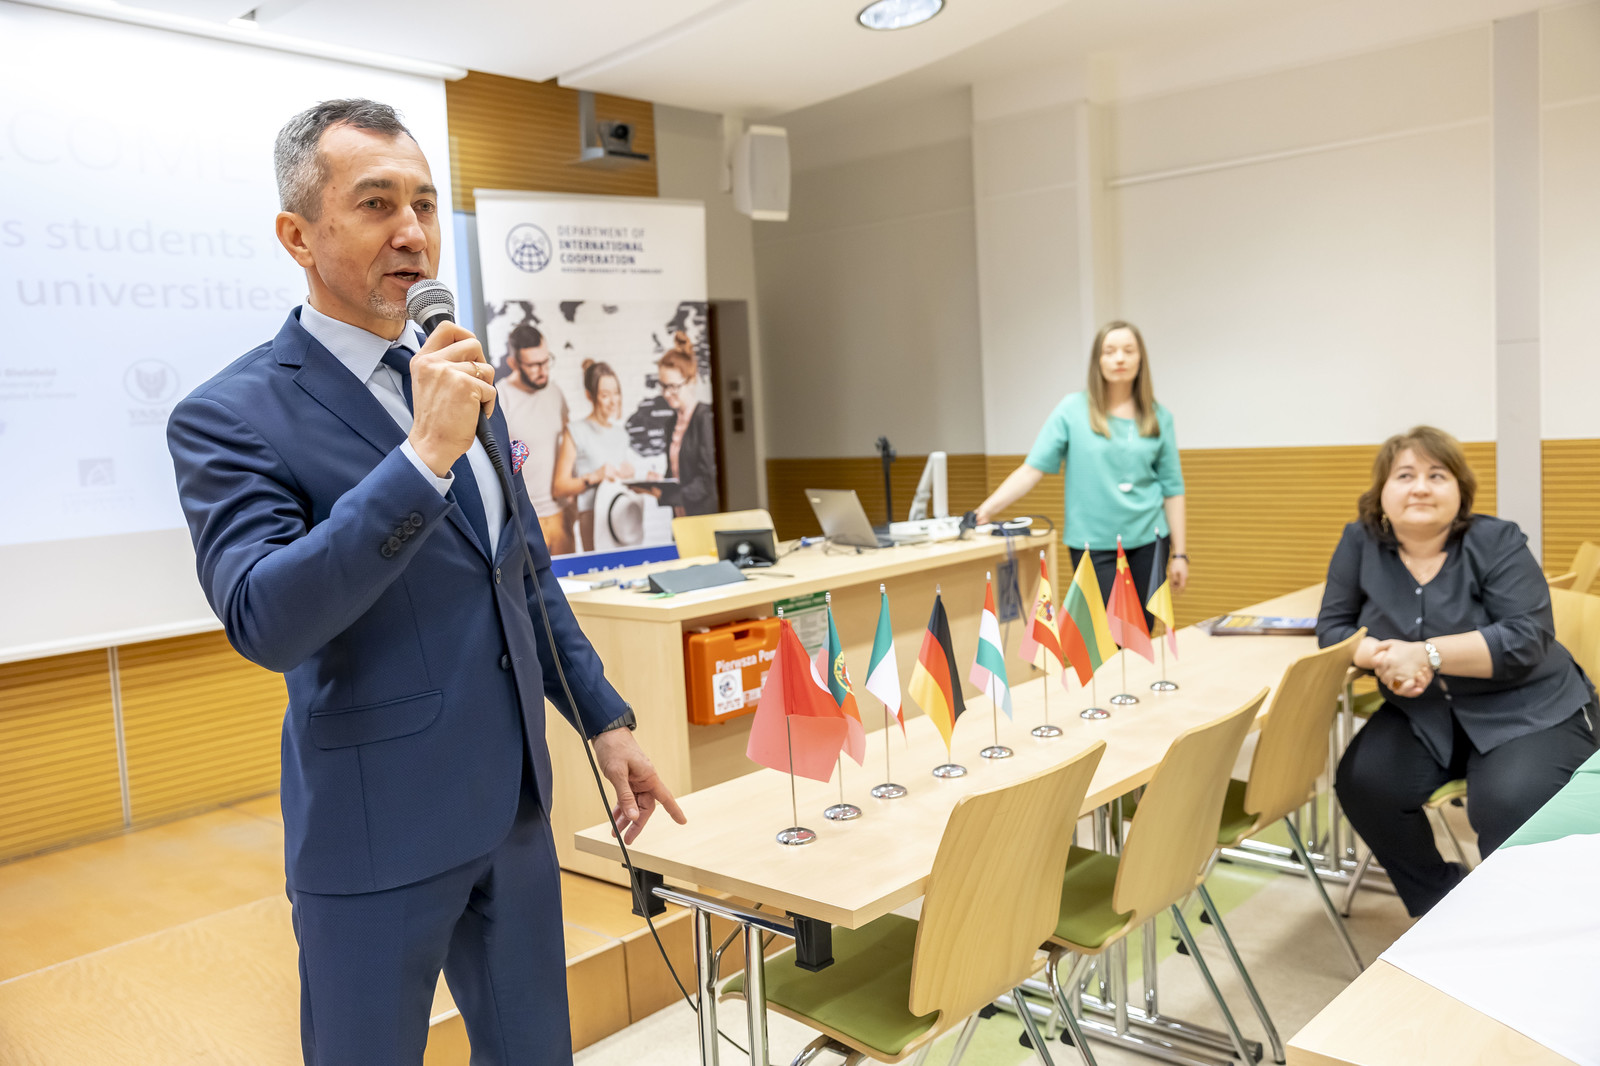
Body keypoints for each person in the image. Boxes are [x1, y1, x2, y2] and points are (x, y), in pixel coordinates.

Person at [165, 99, 684, 1066]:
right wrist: (421, 458)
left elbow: (521, 574)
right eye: (375, 204)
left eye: (424, 204)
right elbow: (266, 618)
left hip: (513, 813)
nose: (412, 232)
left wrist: (605, 722)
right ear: (298, 236)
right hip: (375, 830)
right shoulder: (230, 415)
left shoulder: (456, 376)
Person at [1318, 426, 1597, 916]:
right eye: (1405, 475)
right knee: (1365, 783)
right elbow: (1333, 628)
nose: (1420, 487)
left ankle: (1518, 922)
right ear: (1381, 492)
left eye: (1437, 475)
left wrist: (1425, 654)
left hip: (1528, 707)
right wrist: (1385, 657)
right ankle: (1447, 906)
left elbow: (1526, 637)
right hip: (1427, 710)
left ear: (1460, 491)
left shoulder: (1496, 540)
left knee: (1508, 804)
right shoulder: (1359, 542)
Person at [976, 320, 1188, 616]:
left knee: (1142, 629)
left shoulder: (1159, 417)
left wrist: (1180, 554)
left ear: (1141, 358)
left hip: (1150, 540)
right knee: (1103, 631)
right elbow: (1032, 469)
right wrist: (985, 510)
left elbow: (1173, 488)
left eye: (1128, 350)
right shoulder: (1071, 410)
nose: (1119, 358)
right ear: (1097, 360)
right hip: (1093, 544)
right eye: (1109, 351)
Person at [496, 322, 574, 555]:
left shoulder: (555, 393)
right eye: (534, 365)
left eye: (546, 361)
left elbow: (569, 446)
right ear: (513, 363)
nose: (543, 370)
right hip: (525, 519)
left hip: (561, 516)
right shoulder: (500, 398)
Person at [553, 359, 636, 552]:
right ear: (589, 395)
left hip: (622, 516)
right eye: (605, 395)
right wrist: (595, 476)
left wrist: (632, 478)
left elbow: (618, 483)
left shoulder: (621, 434)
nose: (613, 401)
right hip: (593, 518)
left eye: (616, 393)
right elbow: (559, 487)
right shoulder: (575, 431)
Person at [651, 348, 717, 517]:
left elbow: (707, 480)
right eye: (663, 386)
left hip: (703, 517)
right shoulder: (671, 424)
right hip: (680, 517)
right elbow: (676, 474)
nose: (666, 393)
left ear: (691, 381)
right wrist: (657, 484)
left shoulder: (705, 418)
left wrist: (667, 496)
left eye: (673, 386)